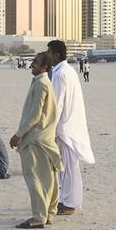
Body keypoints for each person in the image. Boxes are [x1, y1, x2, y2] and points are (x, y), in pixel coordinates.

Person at [10, 52, 61, 229]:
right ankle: (49, 214)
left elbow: (34, 115)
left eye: (35, 63)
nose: (31, 65)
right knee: (48, 178)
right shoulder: (43, 82)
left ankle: (39, 217)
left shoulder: (41, 84)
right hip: (45, 137)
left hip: (36, 139)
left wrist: (18, 134)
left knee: (36, 178)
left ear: (44, 67)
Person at [48, 40, 94, 215]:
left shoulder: (60, 74)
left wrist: (50, 128)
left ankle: (69, 203)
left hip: (64, 127)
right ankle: (65, 199)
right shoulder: (67, 70)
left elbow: (56, 104)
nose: (49, 57)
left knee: (67, 168)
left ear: (57, 55)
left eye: (50, 53)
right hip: (69, 124)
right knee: (66, 167)